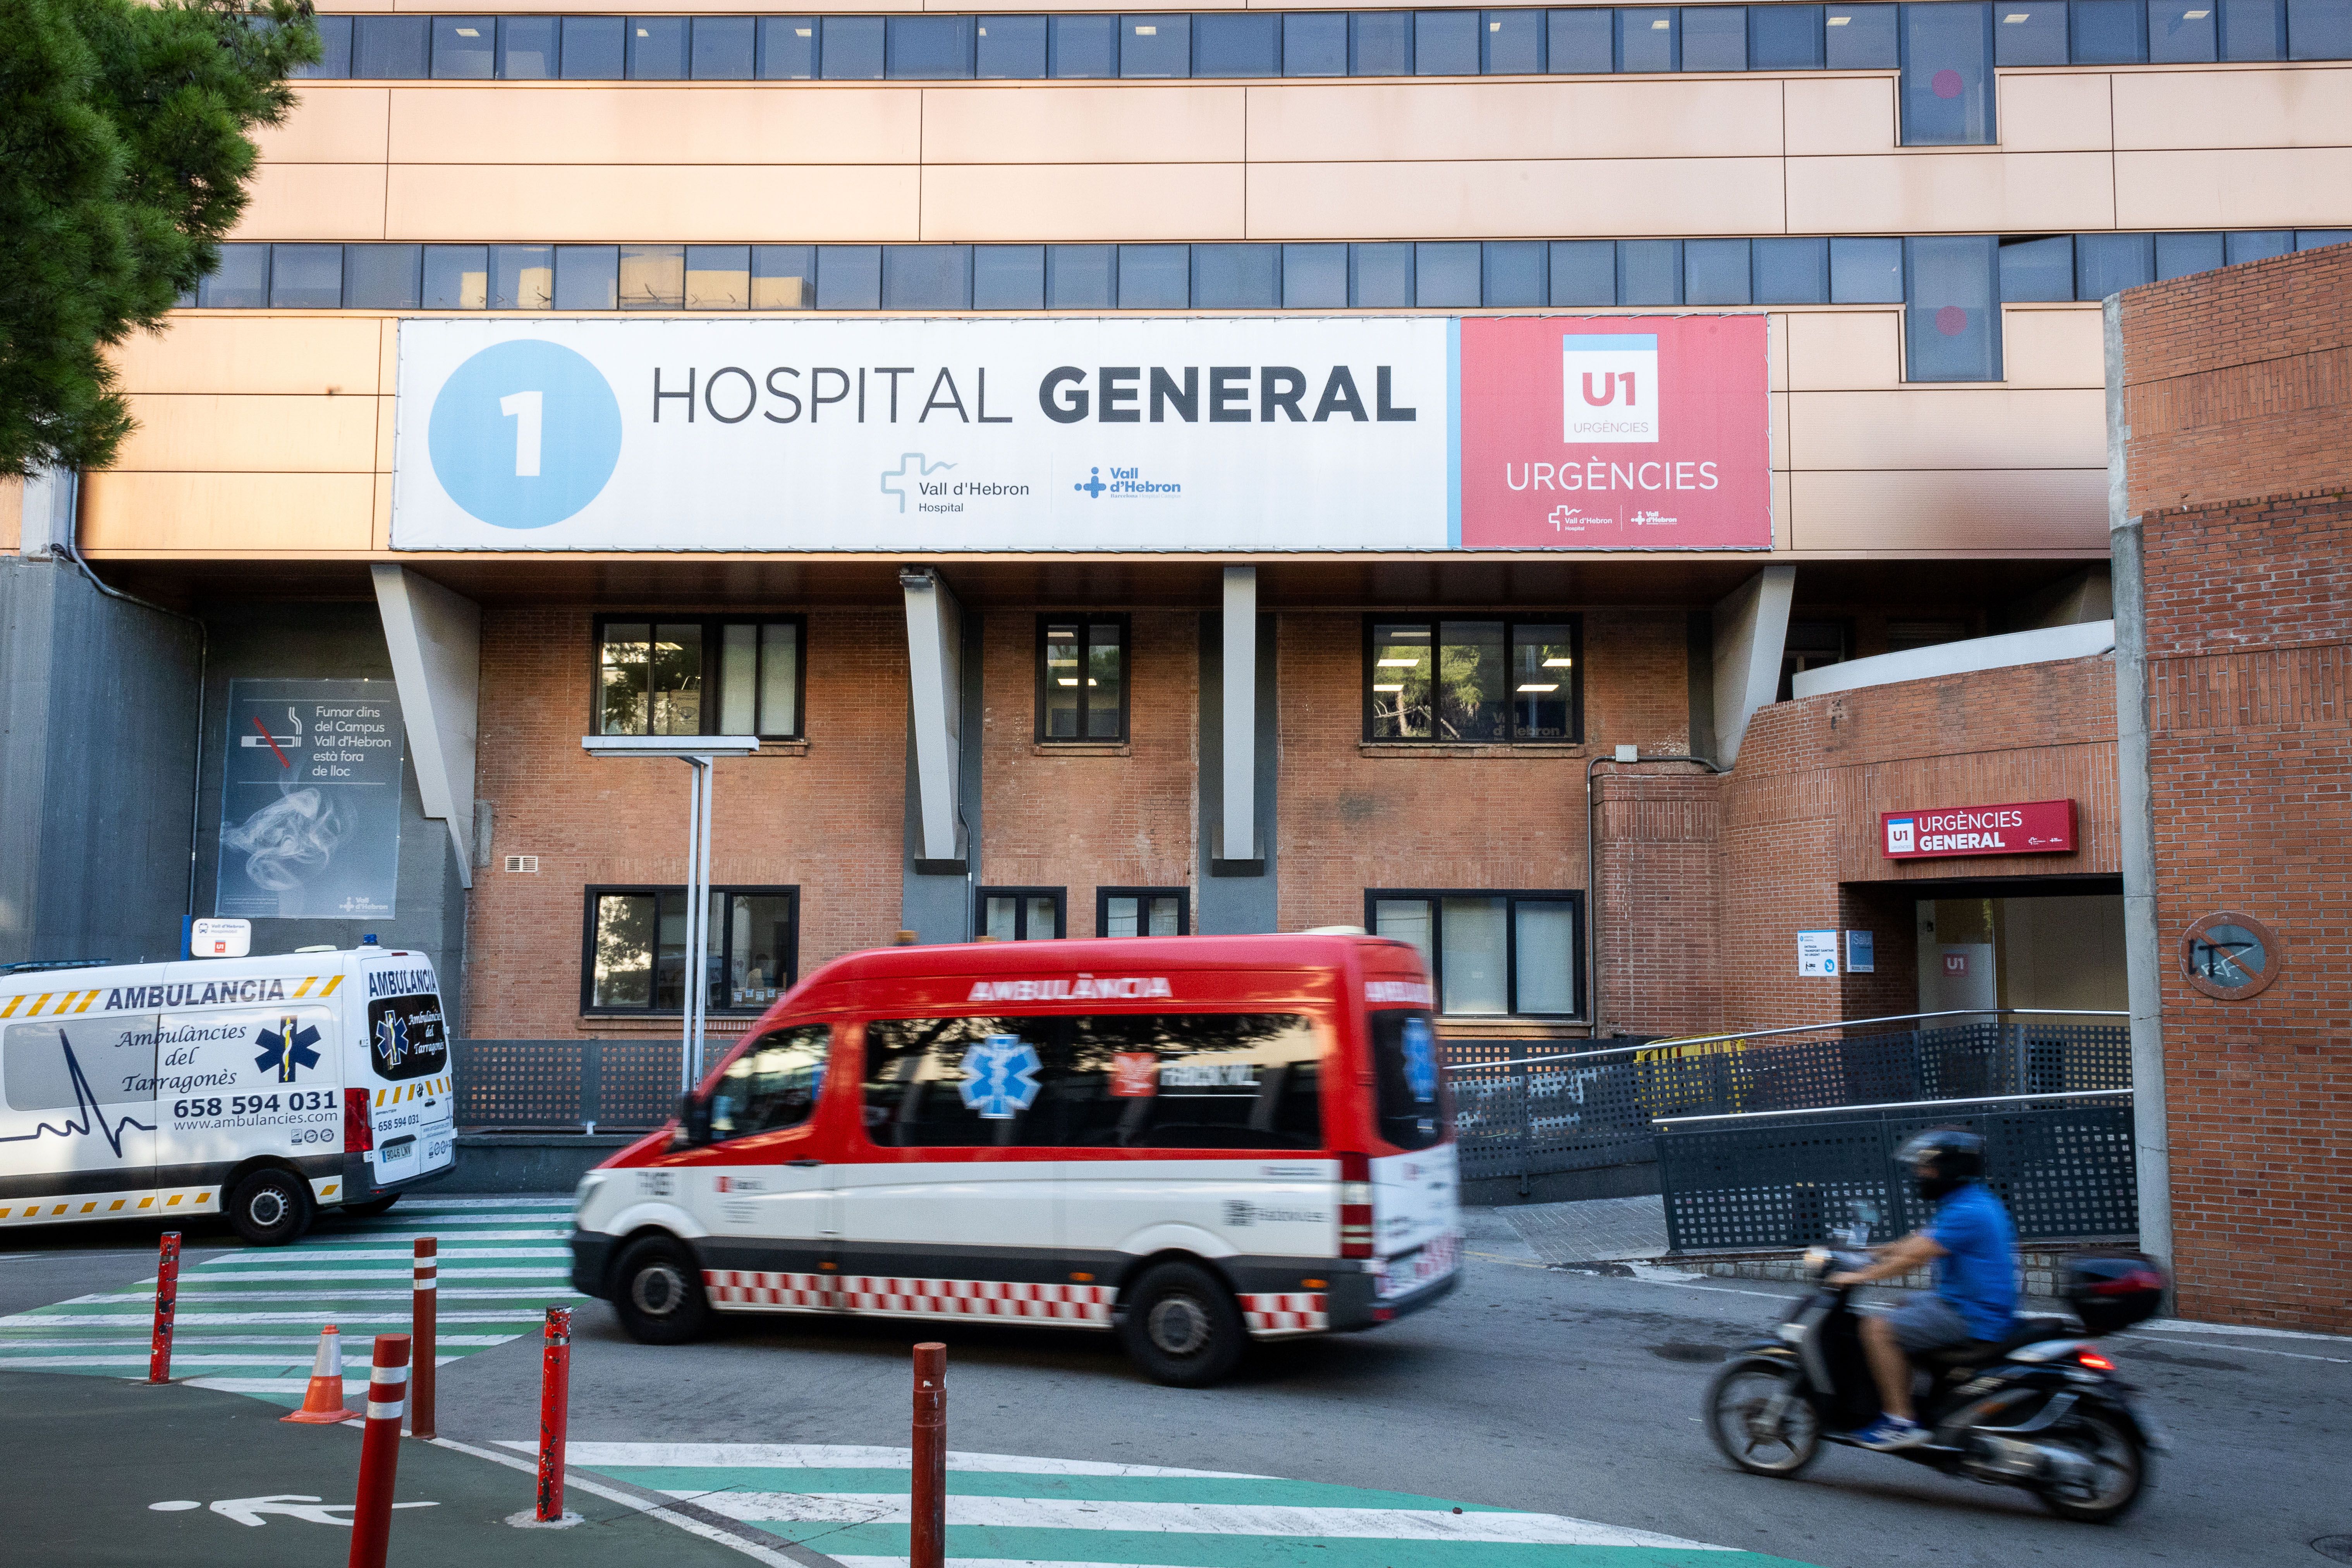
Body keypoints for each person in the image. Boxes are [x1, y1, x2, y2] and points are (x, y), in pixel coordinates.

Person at [1828, 1128, 2018, 1450]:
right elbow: (1917, 1241)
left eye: (1927, 1166)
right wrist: (1872, 1254)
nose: (1919, 1173)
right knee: (1902, 1306)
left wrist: (1856, 1277)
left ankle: (1900, 1421)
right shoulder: (1971, 1201)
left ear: (1949, 1168)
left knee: (1876, 1329)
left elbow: (1913, 1258)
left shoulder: (1967, 1212)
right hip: (1969, 1302)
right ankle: (1921, 1395)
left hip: (1972, 1313)